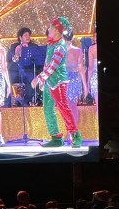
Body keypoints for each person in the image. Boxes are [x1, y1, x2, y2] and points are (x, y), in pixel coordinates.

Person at [32, 16, 82, 148]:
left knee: (63, 108)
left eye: (51, 28)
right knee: (48, 108)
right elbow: (47, 63)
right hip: (49, 81)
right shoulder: (50, 44)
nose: (49, 29)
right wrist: (43, 80)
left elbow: (53, 66)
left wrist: (39, 78)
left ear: (58, 31)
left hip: (59, 81)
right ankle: (56, 137)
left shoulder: (60, 47)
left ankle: (75, 135)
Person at [64, 35, 85, 139]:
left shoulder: (63, 50)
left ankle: (71, 132)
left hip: (69, 80)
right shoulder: (63, 50)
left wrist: (85, 87)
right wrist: (85, 87)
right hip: (68, 79)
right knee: (71, 106)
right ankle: (71, 132)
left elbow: (81, 69)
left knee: (70, 106)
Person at [83, 35, 98, 106]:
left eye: (94, 36)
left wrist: (88, 82)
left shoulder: (92, 48)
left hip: (95, 76)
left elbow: (90, 68)